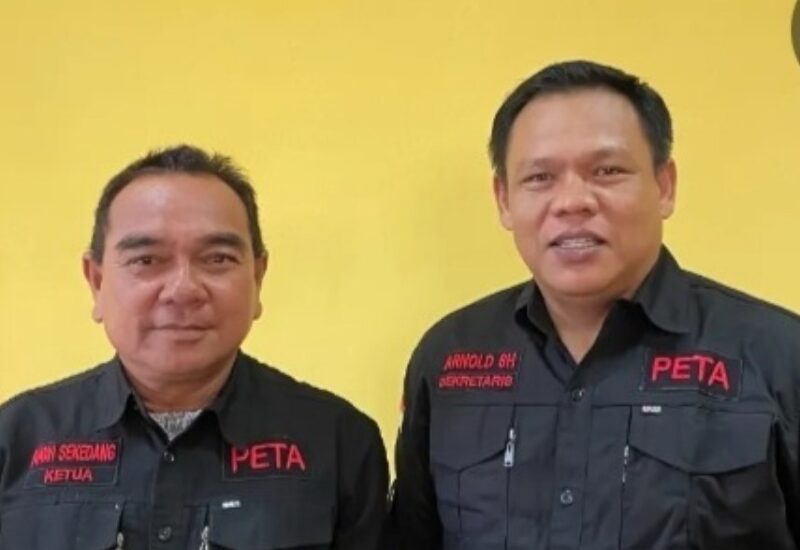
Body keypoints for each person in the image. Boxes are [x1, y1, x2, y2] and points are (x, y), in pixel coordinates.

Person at [388, 60, 800, 549]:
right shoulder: (449, 357)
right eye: (539, 177)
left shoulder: (777, 356)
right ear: (504, 200)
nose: (572, 201)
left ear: (664, 186)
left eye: (607, 171)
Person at [0, 145, 388, 549]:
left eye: (217, 259)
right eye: (147, 260)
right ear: (97, 282)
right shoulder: (15, 439)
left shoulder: (339, 442)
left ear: (257, 278)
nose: (183, 289)